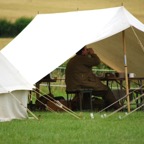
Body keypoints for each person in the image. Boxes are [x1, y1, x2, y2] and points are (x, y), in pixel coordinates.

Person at [65, 45, 121, 109]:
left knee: (88, 93)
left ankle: (89, 107)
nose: (87, 50)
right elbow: (96, 62)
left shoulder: (73, 59)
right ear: (83, 51)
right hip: (81, 84)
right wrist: (92, 53)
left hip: (73, 85)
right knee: (105, 90)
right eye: (86, 49)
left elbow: (82, 72)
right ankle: (118, 108)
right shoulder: (82, 58)